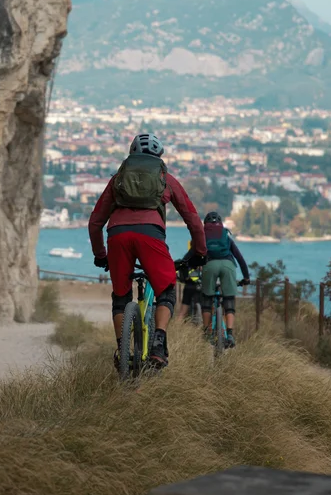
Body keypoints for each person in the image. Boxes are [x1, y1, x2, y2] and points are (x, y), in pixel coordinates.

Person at [89, 133, 208, 369]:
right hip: (150, 236)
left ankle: (122, 349)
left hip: (118, 236)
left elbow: (95, 222)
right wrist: (200, 251)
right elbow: (193, 219)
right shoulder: (165, 178)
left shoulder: (118, 179)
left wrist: (100, 254)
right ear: (158, 156)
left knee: (121, 297)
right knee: (166, 290)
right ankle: (158, 343)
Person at [195, 211, 251, 349]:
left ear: (205, 224)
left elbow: (193, 255)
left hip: (210, 265)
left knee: (207, 299)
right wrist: (246, 277)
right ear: (220, 223)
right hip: (228, 265)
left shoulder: (203, 235)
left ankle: (207, 333)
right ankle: (230, 334)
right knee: (229, 299)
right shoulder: (225, 236)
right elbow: (240, 258)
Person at [176, 240, 204, 322]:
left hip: (188, 285)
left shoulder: (187, 257)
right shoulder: (202, 257)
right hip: (199, 285)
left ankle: (177, 326)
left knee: (183, 309)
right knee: (205, 309)